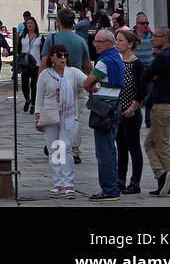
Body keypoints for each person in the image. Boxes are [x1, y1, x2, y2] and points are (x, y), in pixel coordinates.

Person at [40, 8, 93, 165]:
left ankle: (56, 145)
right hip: (76, 84)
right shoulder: (81, 41)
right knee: (75, 118)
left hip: (55, 84)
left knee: (56, 117)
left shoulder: (52, 39)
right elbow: (87, 65)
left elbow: (44, 62)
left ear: (59, 22)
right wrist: (94, 82)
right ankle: (74, 151)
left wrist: (40, 82)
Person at [35, 45, 84, 198]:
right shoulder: (45, 74)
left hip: (69, 115)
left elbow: (87, 83)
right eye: (59, 55)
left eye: (65, 55)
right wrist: (37, 114)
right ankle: (58, 182)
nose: (63, 58)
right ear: (52, 58)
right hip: (50, 114)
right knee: (54, 149)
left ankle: (69, 182)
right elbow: (39, 95)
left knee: (66, 148)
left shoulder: (74, 73)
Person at [83, 28, 124, 199]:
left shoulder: (103, 62)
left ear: (109, 43)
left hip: (103, 109)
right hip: (115, 105)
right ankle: (113, 185)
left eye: (99, 42)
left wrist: (95, 85)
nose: (95, 45)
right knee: (110, 149)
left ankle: (109, 189)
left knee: (104, 152)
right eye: (95, 41)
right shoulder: (118, 58)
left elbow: (87, 84)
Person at [142, 26, 170, 196]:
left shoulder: (163, 56)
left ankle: (165, 179)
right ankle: (165, 180)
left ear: (165, 38)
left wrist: (153, 74)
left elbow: (145, 76)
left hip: (162, 106)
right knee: (152, 143)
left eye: (156, 36)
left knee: (160, 145)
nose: (152, 39)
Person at [114, 28, 146, 194]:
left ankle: (135, 182)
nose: (117, 43)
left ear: (130, 44)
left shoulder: (136, 63)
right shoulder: (118, 61)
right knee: (121, 147)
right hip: (119, 111)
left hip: (131, 112)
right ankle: (120, 179)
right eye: (116, 40)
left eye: (120, 40)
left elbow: (142, 89)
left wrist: (133, 108)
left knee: (134, 147)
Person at [17, 15, 43, 113]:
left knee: (34, 84)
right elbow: (18, 49)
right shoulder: (23, 37)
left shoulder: (40, 38)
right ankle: (28, 99)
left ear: (35, 25)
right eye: (28, 23)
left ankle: (33, 105)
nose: (29, 25)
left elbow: (43, 52)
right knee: (24, 84)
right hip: (25, 63)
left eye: (31, 23)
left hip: (36, 63)